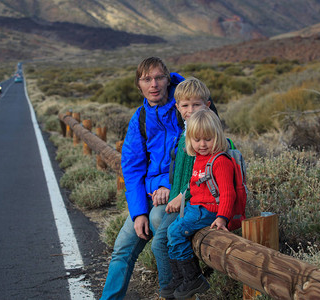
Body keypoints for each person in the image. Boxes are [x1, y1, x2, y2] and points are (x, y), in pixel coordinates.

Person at [99, 57, 184, 300]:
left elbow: (196, 157)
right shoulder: (140, 119)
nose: (154, 84)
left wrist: (170, 186)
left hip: (178, 193)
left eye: (159, 78)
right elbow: (133, 168)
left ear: (168, 80)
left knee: (161, 229)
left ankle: (178, 292)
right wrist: (138, 214)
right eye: (147, 79)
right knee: (122, 249)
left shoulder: (185, 107)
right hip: (148, 195)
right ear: (139, 85)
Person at [162, 109, 237, 299]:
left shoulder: (220, 161)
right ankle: (180, 278)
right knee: (172, 232)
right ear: (190, 140)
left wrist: (222, 217)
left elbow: (228, 193)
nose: (202, 144)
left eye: (207, 139)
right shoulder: (199, 159)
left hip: (209, 210)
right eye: (197, 140)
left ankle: (193, 278)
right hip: (196, 208)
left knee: (175, 232)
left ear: (217, 137)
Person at [150, 77, 214, 298]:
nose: (190, 110)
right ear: (177, 107)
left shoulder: (206, 136)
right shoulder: (184, 135)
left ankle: (174, 289)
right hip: (180, 201)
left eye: (196, 105)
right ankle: (176, 287)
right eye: (185, 105)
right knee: (162, 243)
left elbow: (205, 174)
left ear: (207, 106)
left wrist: (182, 196)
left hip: (192, 204)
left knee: (160, 242)